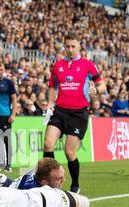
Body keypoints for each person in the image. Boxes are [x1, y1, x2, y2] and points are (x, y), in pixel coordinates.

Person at [43, 33, 107, 194]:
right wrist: (50, 102)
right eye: (67, 46)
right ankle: (48, 183)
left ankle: (75, 185)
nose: (70, 49)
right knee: (48, 144)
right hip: (59, 111)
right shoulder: (58, 65)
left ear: (79, 47)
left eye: (73, 46)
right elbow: (52, 87)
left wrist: (96, 89)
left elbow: (102, 85)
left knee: (69, 151)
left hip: (78, 114)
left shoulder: (88, 65)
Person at [0, 157, 67, 190]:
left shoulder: (35, 172)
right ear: (44, 182)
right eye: (59, 178)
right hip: (4, 196)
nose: (64, 180)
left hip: (12, 185)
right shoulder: (34, 192)